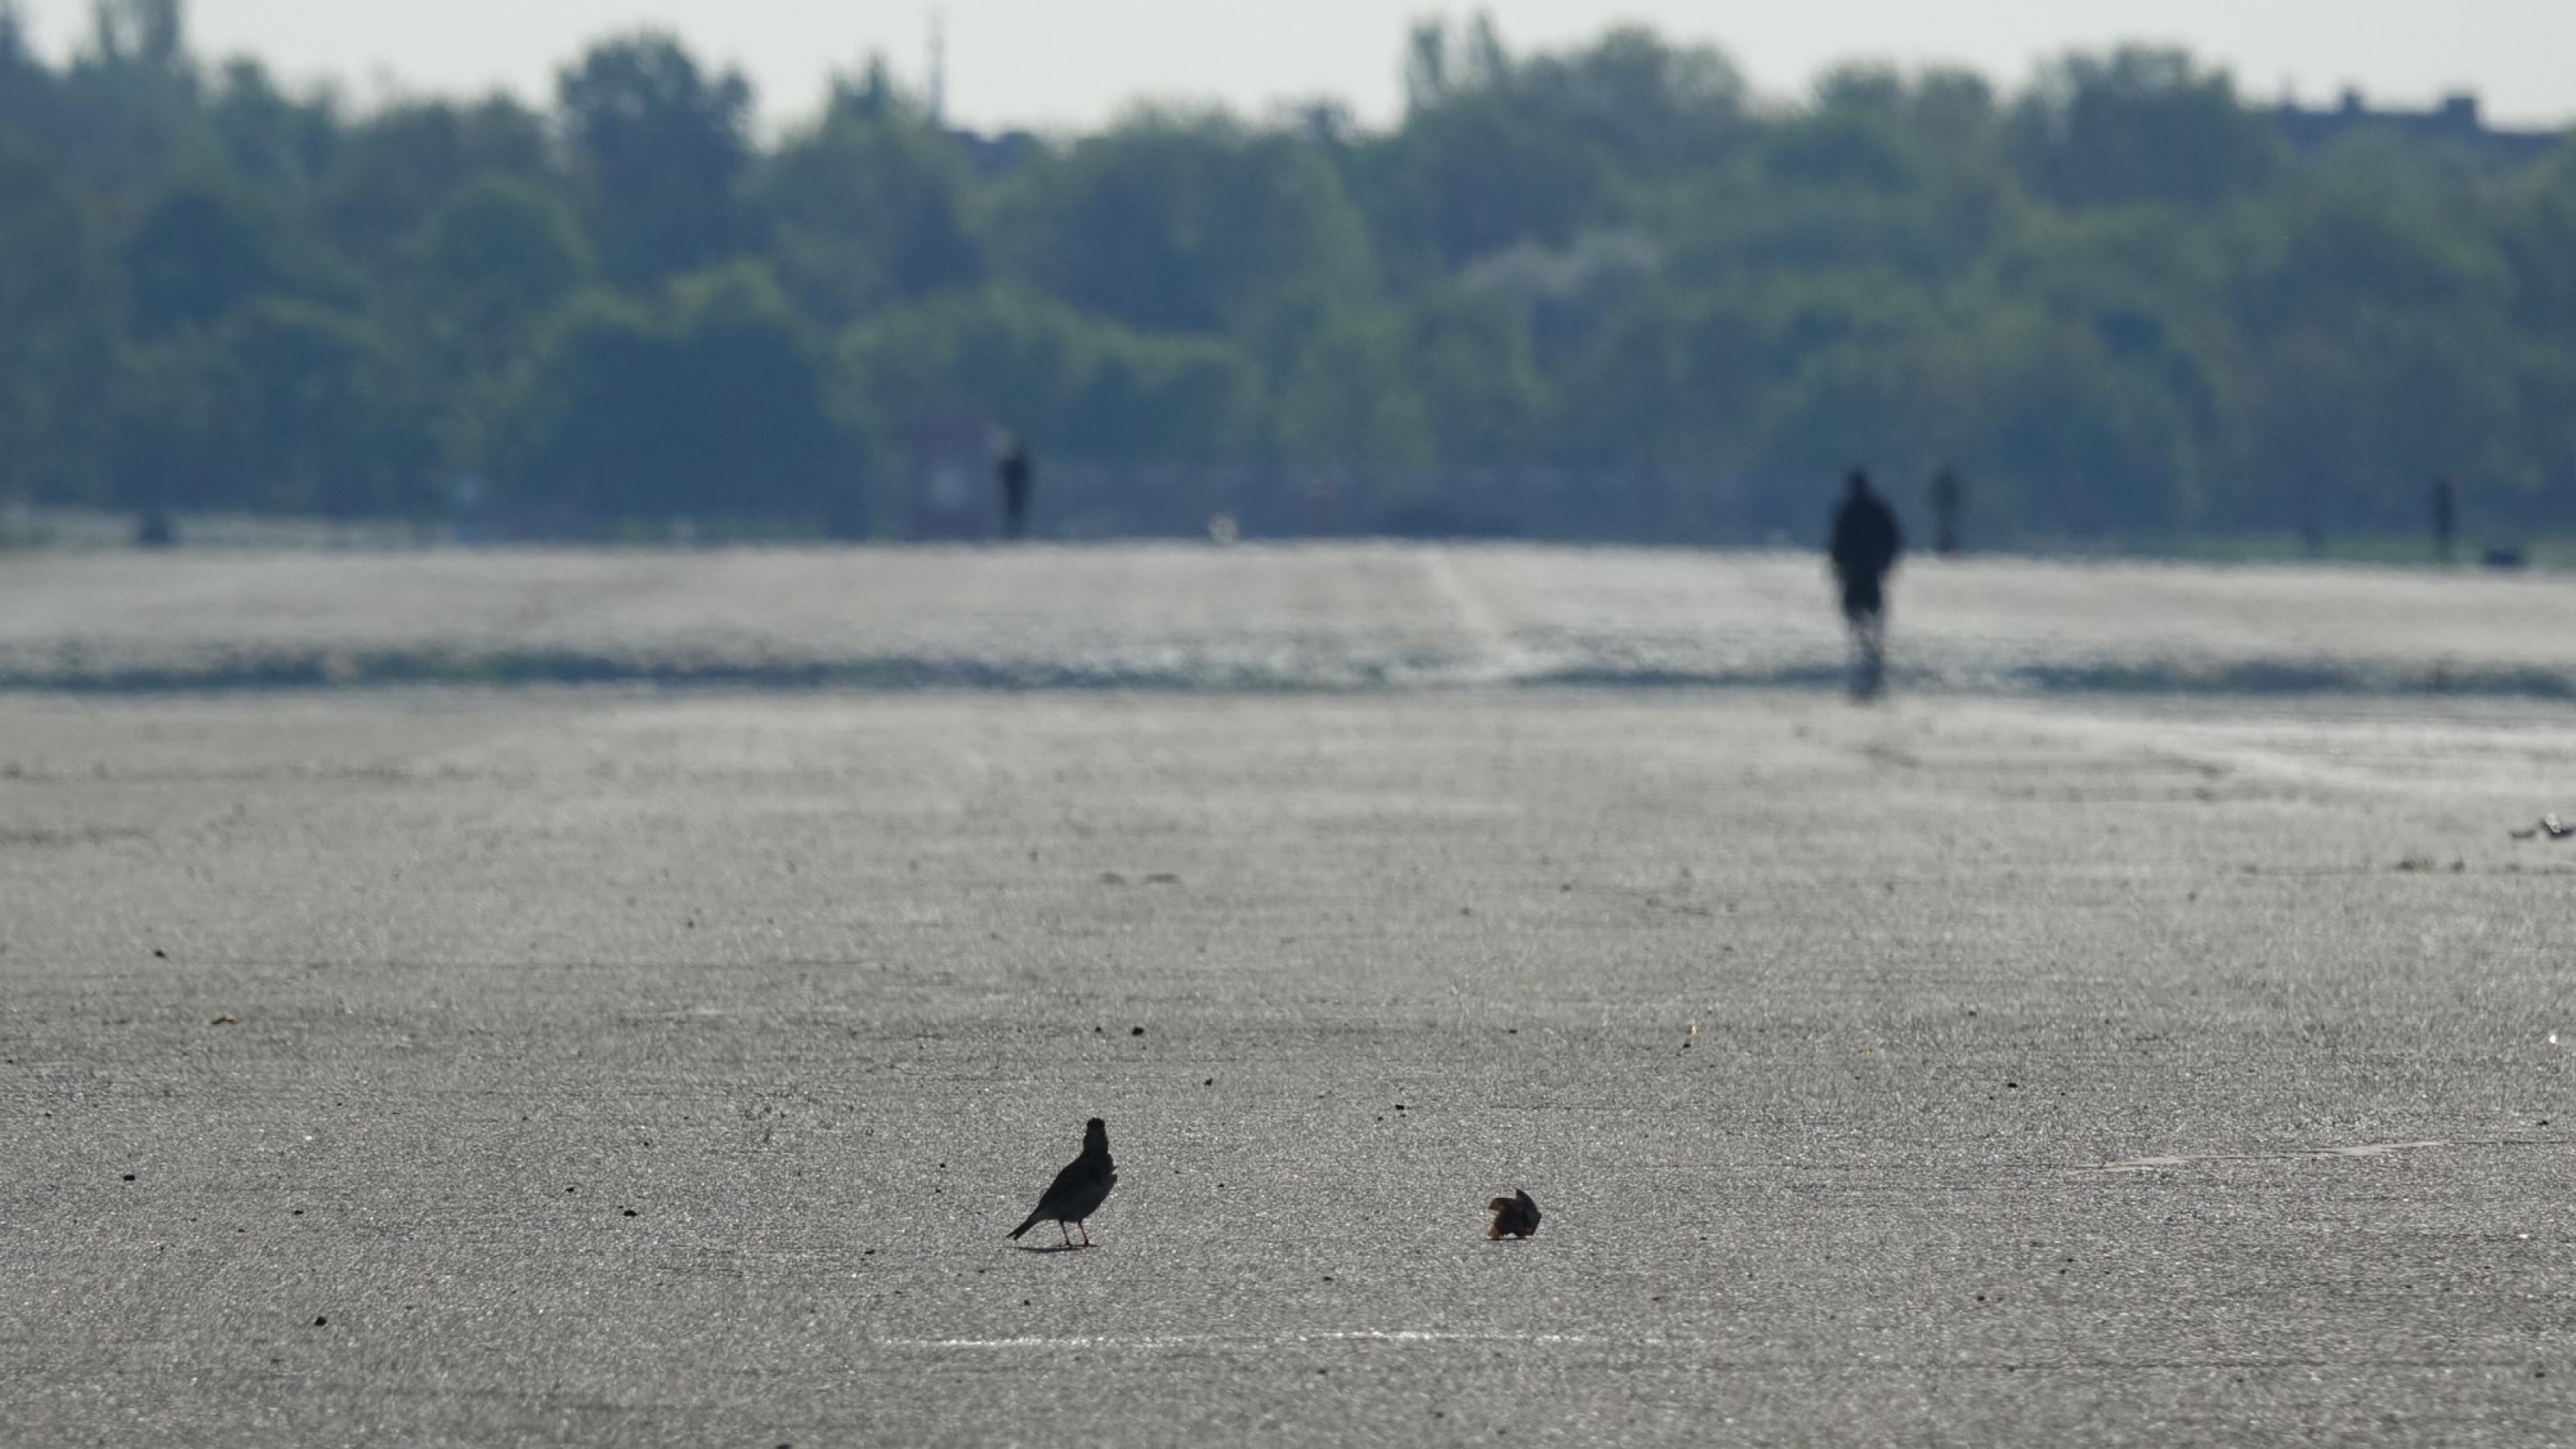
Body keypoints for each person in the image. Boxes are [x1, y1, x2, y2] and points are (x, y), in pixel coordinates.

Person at [1828, 469, 1904, 700]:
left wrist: (1839, 565)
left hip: (1862, 571)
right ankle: (1869, 645)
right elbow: (1892, 537)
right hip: (1866, 571)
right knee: (1868, 610)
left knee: (1859, 610)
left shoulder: (1852, 510)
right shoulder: (1874, 509)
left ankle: (1866, 644)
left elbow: (1838, 542)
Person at [997, 435, 1034, 541]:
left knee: (1016, 514)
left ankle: (1015, 534)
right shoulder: (1013, 462)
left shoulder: (1017, 462)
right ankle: (1012, 534)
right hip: (1011, 492)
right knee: (1011, 514)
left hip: (1016, 492)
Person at [1927, 464, 1964, 555]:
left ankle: (1946, 548)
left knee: (1946, 529)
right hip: (1946, 512)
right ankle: (1946, 548)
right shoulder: (1948, 488)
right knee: (1946, 529)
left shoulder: (1943, 488)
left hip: (1944, 512)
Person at [2432, 476, 2457, 565]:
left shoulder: (2442, 497)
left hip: (2444, 523)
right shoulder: (2444, 498)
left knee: (2444, 540)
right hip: (2443, 523)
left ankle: (2444, 556)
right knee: (2443, 540)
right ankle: (2444, 556)